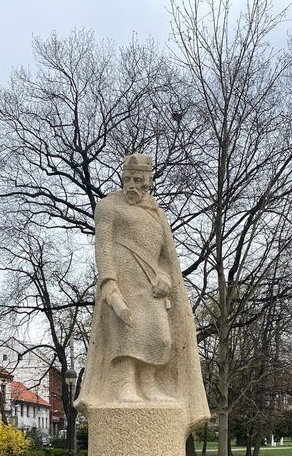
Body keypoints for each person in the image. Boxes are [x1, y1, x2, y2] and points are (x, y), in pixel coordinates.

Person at [75, 153, 209, 433]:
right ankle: (125, 382)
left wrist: (167, 280)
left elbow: (167, 257)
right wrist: (109, 283)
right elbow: (104, 247)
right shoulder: (108, 206)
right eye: (129, 178)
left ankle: (149, 382)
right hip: (124, 277)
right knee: (128, 330)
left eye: (140, 180)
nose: (134, 185)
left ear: (149, 181)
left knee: (160, 335)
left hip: (152, 284)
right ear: (122, 177)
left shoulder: (156, 213)